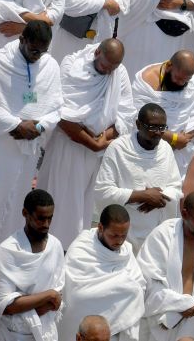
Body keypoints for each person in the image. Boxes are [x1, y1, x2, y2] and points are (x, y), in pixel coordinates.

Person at [37, 40, 132, 246]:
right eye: (105, 66)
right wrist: (92, 143)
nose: (108, 72)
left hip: (98, 151)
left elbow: (126, 114)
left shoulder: (119, 73)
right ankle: (50, 245)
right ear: (97, 52)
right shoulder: (72, 65)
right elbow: (61, 113)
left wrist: (103, 139)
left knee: (82, 205)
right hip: (67, 147)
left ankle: (72, 248)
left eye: (113, 68)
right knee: (59, 200)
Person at [0, 21, 62, 245]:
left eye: (43, 51)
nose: (38, 56)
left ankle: (6, 252)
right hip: (2, 145)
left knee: (18, 203)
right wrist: (15, 124)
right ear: (22, 39)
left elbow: (56, 108)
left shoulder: (49, 65)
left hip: (30, 146)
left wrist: (38, 127)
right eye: (34, 50)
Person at [137, 191, 194, 340]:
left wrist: (193, 304)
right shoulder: (163, 235)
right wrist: (180, 305)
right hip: (163, 315)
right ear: (184, 213)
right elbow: (149, 280)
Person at [94, 103, 184, 251]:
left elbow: (176, 188)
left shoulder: (166, 149)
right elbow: (102, 191)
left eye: (162, 128)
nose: (158, 133)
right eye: (152, 127)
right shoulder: (118, 148)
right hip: (124, 233)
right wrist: (141, 196)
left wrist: (157, 198)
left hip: (156, 231)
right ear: (138, 124)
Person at [0, 190, 65, 341]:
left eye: (50, 219)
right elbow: (7, 306)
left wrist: (28, 305)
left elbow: (57, 297)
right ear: (25, 213)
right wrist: (48, 295)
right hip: (10, 334)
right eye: (41, 219)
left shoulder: (55, 245)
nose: (46, 225)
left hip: (45, 332)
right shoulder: (7, 249)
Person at [59, 205, 146, 341]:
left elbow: (139, 286)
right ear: (100, 228)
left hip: (117, 329)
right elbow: (77, 295)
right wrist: (124, 288)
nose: (119, 241)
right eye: (114, 235)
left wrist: (126, 290)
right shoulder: (81, 250)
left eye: (124, 235)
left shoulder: (126, 251)